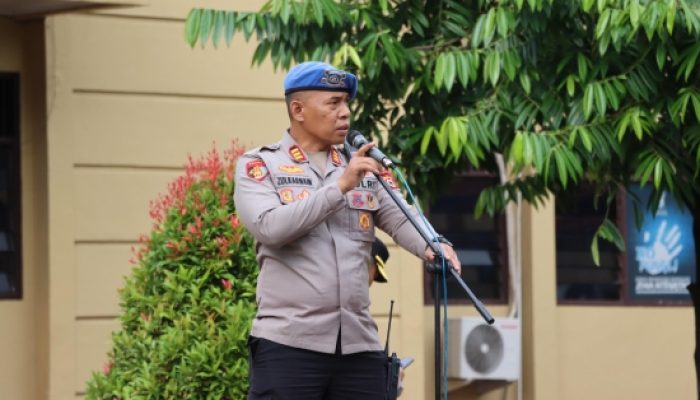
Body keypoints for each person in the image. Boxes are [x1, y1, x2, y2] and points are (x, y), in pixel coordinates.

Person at [234, 60, 461, 400]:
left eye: (346, 103)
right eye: (333, 103)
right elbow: (270, 228)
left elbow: (401, 217)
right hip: (289, 345)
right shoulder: (260, 165)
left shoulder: (363, 166)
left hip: (358, 344)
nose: (345, 113)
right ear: (298, 110)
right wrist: (340, 186)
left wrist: (433, 244)